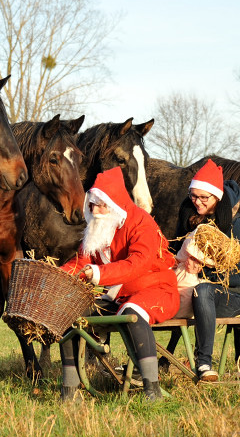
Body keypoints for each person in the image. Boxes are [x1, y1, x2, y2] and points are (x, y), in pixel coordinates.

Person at [59, 166, 179, 401]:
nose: (96, 210)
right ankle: (69, 390)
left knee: (133, 312)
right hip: (118, 294)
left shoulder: (141, 223)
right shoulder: (96, 226)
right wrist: (57, 276)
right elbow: (80, 262)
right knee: (70, 313)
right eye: (92, 204)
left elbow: (139, 263)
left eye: (101, 205)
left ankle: (152, 389)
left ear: (114, 204)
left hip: (156, 289)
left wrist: (98, 274)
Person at [166, 159, 240, 382]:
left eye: (204, 197)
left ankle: (204, 362)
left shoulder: (236, 224)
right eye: (194, 196)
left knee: (202, 290)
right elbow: (173, 251)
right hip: (185, 287)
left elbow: (239, 276)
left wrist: (202, 270)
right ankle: (144, 361)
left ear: (218, 197)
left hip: (227, 296)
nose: (197, 202)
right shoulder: (189, 216)